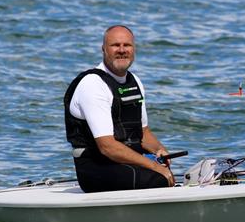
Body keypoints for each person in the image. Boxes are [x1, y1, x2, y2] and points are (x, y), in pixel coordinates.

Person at [64, 25, 175, 193]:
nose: (122, 50)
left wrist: (159, 150)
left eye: (127, 45)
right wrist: (153, 166)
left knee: (164, 174)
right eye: (115, 45)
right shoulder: (93, 84)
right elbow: (107, 146)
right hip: (96, 168)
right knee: (157, 178)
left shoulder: (134, 81)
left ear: (134, 49)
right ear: (103, 49)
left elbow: (143, 132)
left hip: (125, 163)